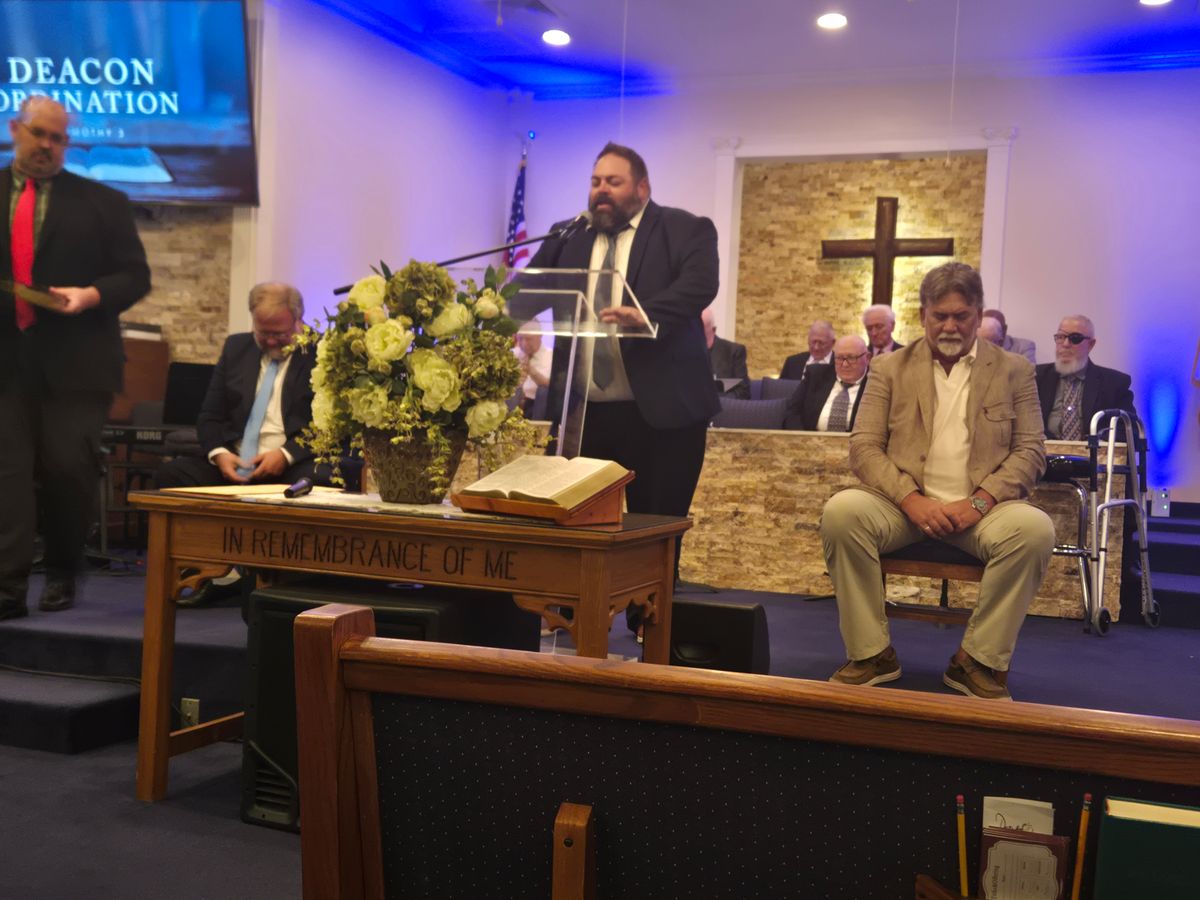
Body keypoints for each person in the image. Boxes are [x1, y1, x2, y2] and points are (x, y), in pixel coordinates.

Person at [820, 262, 1054, 701]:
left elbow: (1030, 451)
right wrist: (911, 500)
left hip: (983, 512)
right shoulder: (889, 368)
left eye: (961, 316)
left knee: (1035, 529)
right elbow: (864, 448)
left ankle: (976, 660)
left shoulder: (1015, 370)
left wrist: (979, 502)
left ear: (978, 314)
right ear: (922, 315)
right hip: (903, 508)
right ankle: (872, 654)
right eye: (939, 316)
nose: (950, 326)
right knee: (842, 513)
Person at [528, 142, 718, 605]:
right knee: (577, 526)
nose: (601, 191)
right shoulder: (568, 235)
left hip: (662, 415)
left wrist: (646, 314)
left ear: (642, 188)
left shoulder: (683, 228)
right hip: (585, 413)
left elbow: (700, 285)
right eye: (596, 182)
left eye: (613, 182)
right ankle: (576, 617)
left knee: (655, 531)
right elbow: (527, 291)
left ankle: (650, 625)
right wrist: (490, 309)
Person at [0, 97, 151, 619]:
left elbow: (136, 276)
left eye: (58, 138)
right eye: (38, 134)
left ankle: (64, 570)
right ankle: (7, 589)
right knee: (8, 475)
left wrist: (91, 294)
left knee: (67, 470)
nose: (46, 145)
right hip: (6, 363)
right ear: (15, 129)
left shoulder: (103, 202)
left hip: (78, 364)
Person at [154, 283, 316, 489]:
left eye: (279, 334)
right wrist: (220, 454)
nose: (271, 342)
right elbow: (210, 417)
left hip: (292, 464)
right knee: (172, 474)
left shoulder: (320, 353)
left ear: (299, 320)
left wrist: (286, 455)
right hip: (236, 461)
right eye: (263, 333)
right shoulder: (236, 348)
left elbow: (327, 429)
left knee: (319, 479)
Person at [1035, 314, 1136, 441]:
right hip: (1044, 452)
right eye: (1060, 337)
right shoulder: (1036, 377)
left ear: (1091, 344)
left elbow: (1128, 431)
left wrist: (1094, 442)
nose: (1065, 344)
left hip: (1093, 452)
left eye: (1075, 338)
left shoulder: (1114, 384)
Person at [783, 335, 869, 431]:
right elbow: (793, 412)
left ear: (867, 358)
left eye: (851, 358)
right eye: (839, 358)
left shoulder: (875, 382)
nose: (845, 364)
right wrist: (802, 438)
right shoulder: (815, 376)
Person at [701, 306, 749, 399]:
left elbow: (743, 392)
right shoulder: (684, 353)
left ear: (713, 330)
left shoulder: (733, 352)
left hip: (722, 406)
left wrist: (716, 401)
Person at [513, 322, 551, 415]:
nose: (524, 343)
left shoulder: (550, 356)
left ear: (540, 336)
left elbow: (549, 385)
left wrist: (531, 371)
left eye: (528, 339)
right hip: (514, 400)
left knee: (543, 391)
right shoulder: (513, 354)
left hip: (535, 403)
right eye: (520, 339)